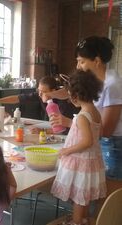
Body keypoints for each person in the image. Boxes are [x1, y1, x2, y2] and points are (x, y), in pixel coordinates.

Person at [48, 36, 122, 180]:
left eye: (81, 61)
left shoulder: (113, 85)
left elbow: (106, 131)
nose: (78, 66)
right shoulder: (96, 80)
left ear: (97, 61)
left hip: (112, 145)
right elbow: (73, 91)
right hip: (100, 141)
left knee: (109, 195)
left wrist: (71, 123)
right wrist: (50, 94)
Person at [51, 70, 106, 225]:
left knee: (78, 198)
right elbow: (99, 135)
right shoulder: (96, 112)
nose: (69, 98)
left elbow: (87, 141)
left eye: (70, 95)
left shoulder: (82, 116)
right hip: (91, 161)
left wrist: (67, 150)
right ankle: (84, 219)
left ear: (77, 95)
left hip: (81, 161)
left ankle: (76, 222)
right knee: (85, 196)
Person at [0, 76, 79, 134]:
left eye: (44, 92)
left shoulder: (62, 103)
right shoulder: (40, 95)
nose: (40, 94)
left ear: (53, 91)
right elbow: (17, 98)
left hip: (71, 134)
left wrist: (43, 131)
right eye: (39, 90)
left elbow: (63, 129)